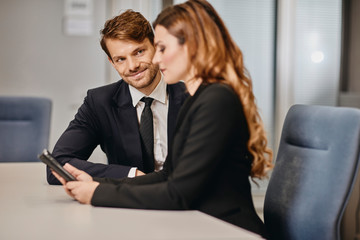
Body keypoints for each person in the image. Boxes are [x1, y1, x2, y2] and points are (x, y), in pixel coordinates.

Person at [52, 0, 273, 236]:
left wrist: (97, 194)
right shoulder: (200, 98)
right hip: (194, 223)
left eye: (162, 49)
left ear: (192, 46)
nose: (156, 59)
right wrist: (99, 184)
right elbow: (168, 175)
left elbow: (178, 193)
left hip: (225, 229)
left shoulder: (215, 100)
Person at [47, 10, 188, 184]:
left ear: (156, 47)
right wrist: (132, 175)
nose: (132, 66)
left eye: (139, 52)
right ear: (112, 63)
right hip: (125, 203)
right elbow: (58, 164)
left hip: (187, 203)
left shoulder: (192, 96)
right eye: (120, 59)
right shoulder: (99, 102)